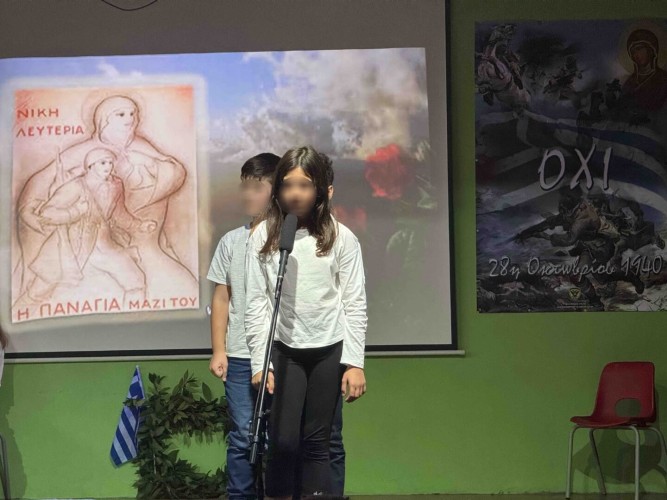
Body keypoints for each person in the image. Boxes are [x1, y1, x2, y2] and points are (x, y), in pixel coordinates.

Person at [244, 146, 367, 499]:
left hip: (328, 349)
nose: (295, 193)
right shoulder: (264, 236)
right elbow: (257, 303)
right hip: (286, 348)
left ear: (323, 190)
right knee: (283, 441)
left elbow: (354, 303)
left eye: (304, 185)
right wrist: (260, 362)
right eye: (287, 184)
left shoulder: (342, 237)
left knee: (318, 442)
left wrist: (354, 363)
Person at [207, 153, 280, 500]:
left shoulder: (291, 240)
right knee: (242, 436)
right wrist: (218, 350)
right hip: (239, 354)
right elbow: (222, 298)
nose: (248, 195)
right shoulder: (231, 241)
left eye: (257, 187)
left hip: (279, 354)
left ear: (276, 190)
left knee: (280, 437)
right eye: (244, 187)